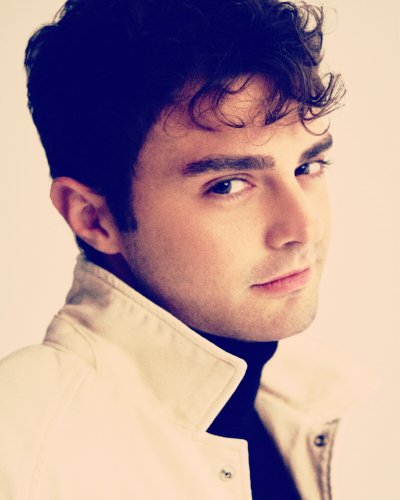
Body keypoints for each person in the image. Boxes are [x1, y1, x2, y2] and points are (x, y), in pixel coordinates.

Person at [0, 0, 371, 498]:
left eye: (307, 167)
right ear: (93, 217)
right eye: (228, 185)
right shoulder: (20, 455)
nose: (303, 227)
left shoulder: (312, 406)